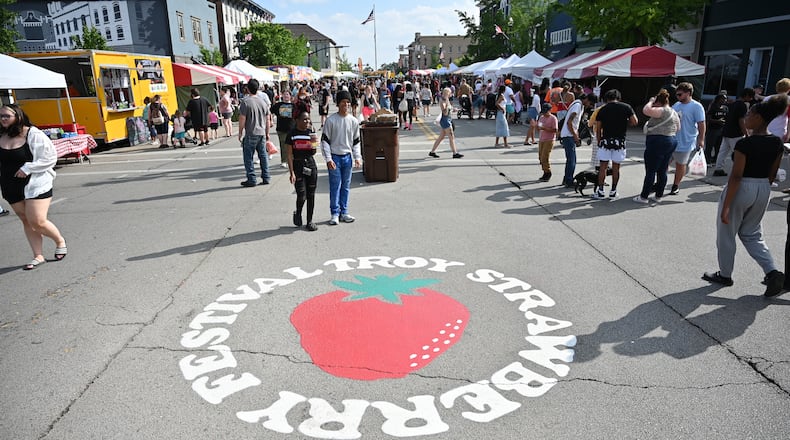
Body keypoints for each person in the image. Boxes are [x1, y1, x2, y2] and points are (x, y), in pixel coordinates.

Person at [703, 95, 788, 297]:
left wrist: (726, 206)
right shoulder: (776, 142)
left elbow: (736, 176)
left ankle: (725, 274)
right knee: (752, 233)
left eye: (749, 114)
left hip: (743, 187)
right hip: (763, 188)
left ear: (758, 118)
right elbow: (772, 173)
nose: (746, 117)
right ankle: (772, 271)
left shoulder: (745, 144)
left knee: (726, 233)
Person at [0, 104, 67, 270]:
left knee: (37, 221)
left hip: (36, 184)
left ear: (18, 116)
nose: (3, 119)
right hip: (10, 185)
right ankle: (38, 255)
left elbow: (50, 157)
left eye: (6, 116)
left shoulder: (32, 133)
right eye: (0, 116)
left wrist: (27, 168)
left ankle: (59, 240)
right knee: (26, 220)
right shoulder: (1, 135)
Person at [320, 90, 362, 225]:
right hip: (335, 157)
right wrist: (328, 159)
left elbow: (356, 142)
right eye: (343, 102)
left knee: (346, 186)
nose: (346, 105)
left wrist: (357, 157)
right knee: (335, 186)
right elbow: (325, 141)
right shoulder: (331, 121)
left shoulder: (353, 121)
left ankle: (344, 212)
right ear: (338, 104)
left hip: (347, 157)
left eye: (348, 102)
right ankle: (334, 213)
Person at [633, 89, 680, 203]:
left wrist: (650, 101)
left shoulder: (662, 110)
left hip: (658, 141)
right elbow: (678, 128)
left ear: (658, 102)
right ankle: (658, 195)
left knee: (651, 170)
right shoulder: (674, 112)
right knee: (663, 170)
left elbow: (646, 110)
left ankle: (644, 197)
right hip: (671, 140)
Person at [593, 89, 638, 199]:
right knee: (616, 168)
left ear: (607, 98)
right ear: (619, 97)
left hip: (606, 141)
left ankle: (601, 190)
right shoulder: (626, 107)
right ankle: (613, 191)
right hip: (620, 142)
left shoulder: (603, 109)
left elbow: (598, 129)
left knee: (603, 167)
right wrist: (624, 121)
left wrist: (599, 141)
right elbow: (635, 121)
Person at [668, 82, 706, 196]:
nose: (678, 97)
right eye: (677, 95)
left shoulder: (696, 106)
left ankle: (676, 185)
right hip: (672, 139)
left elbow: (701, 124)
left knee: (680, 164)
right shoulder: (676, 105)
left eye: (680, 94)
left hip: (686, 139)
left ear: (688, 93)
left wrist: (701, 139)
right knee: (664, 162)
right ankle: (660, 182)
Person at [286, 111, 319, 232]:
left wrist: (314, 143)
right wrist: (291, 172)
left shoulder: (311, 132)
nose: (307, 122)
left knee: (311, 194)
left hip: (310, 164)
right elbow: (289, 154)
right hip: (298, 165)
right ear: (297, 120)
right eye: (304, 119)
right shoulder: (292, 134)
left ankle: (309, 221)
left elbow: (314, 152)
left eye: (308, 119)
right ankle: (298, 212)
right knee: (302, 195)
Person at [237, 78, 271, 187]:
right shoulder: (263, 102)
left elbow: (242, 118)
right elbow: (268, 119)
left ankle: (251, 178)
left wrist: (240, 132)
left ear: (247, 89)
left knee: (248, 157)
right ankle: (266, 177)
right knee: (263, 156)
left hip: (251, 132)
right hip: (261, 132)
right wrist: (267, 132)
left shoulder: (245, 102)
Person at [713, 88, 755, 176]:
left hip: (726, 131)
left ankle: (718, 168)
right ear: (747, 95)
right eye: (751, 96)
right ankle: (738, 171)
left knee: (723, 152)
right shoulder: (742, 106)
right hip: (736, 133)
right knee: (738, 153)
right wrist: (746, 133)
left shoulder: (732, 104)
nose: (751, 99)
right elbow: (741, 120)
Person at [428, 87, 464, 159]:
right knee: (451, 137)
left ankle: (432, 152)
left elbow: (448, 110)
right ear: (447, 93)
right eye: (450, 93)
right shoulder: (443, 100)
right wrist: (447, 106)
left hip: (447, 119)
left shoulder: (446, 99)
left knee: (441, 137)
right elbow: (445, 112)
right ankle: (455, 153)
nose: (451, 94)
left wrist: (454, 109)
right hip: (445, 120)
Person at [558, 92, 581, 186]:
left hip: (568, 135)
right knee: (571, 159)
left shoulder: (574, 105)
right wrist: (575, 136)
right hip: (569, 135)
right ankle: (568, 180)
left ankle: (567, 178)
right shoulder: (577, 106)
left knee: (571, 159)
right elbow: (570, 122)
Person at [271, 91, 295, 168]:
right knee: (283, 146)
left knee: (293, 146)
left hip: (292, 129)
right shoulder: (278, 105)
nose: (286, 96)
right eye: (284, 95)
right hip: (281, 129)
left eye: (287, 94)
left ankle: (292, 160)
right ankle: (284, 160)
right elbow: (270, 112)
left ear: (290, 96)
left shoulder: (293, 105)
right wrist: (271, 120)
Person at [536, 103, 558, 181]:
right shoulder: (541, 117)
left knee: (544, 157)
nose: (545, 114)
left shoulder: (553, 118)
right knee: (540, 157)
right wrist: (536, 126)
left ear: (550, 110)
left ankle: (548, 172)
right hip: (542, 139)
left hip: (549, 139)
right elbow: (539, 127)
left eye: (546, 112)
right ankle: (545, 171)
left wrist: (544, 128)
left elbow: (555, 130)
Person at [705, 93, 729, 164]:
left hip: (721, 130)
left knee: (718, 146)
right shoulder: (713, 107)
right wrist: (718, 121)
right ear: (719, 99)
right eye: (723, 98)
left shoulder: (725, 108)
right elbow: (708, 118)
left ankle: (715, 159)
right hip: (713, 129)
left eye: (726, 99)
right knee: (710, 146)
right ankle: (707, 160)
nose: (725, 100)